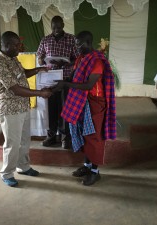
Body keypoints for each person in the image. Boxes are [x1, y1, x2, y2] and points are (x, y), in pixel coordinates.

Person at [52, 31, 116, 186]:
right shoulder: (82, 58)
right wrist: (56, 81)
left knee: (93, 136)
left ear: (88, 42)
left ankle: (95, 172)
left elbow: (88, 85)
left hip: (95, 103)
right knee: (83, 133)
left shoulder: (97, 61)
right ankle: (87, 166)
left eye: (78, 44)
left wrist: (65, 85)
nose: (76, 47)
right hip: (81, 101)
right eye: (75, 44)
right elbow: (72, 77)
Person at [0, 31, 52, 187]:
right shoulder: (0, 64)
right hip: (10, 109)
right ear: (7, 45)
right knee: (12, 143)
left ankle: (23, 167)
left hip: (23, 106)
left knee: (24, 140)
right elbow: (15, 89)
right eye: (17, 45)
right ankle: (6, 173)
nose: (20, 47)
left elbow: (22, 75)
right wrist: (40, 93)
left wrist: (39, 70)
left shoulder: (13, 59)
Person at [36, 15, 79, 149]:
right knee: (52, 109)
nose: (56, 29)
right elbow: (39, 56)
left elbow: (77, 59)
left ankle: (65, 138)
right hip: (50, 80)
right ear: (51, 26)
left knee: (65, 109)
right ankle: (52, 135)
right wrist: (42, 60)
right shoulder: (46, 40)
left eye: (59, 27)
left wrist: (65, 62)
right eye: (54, 27)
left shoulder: (71, 39)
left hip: (66, 79)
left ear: (63, 26)